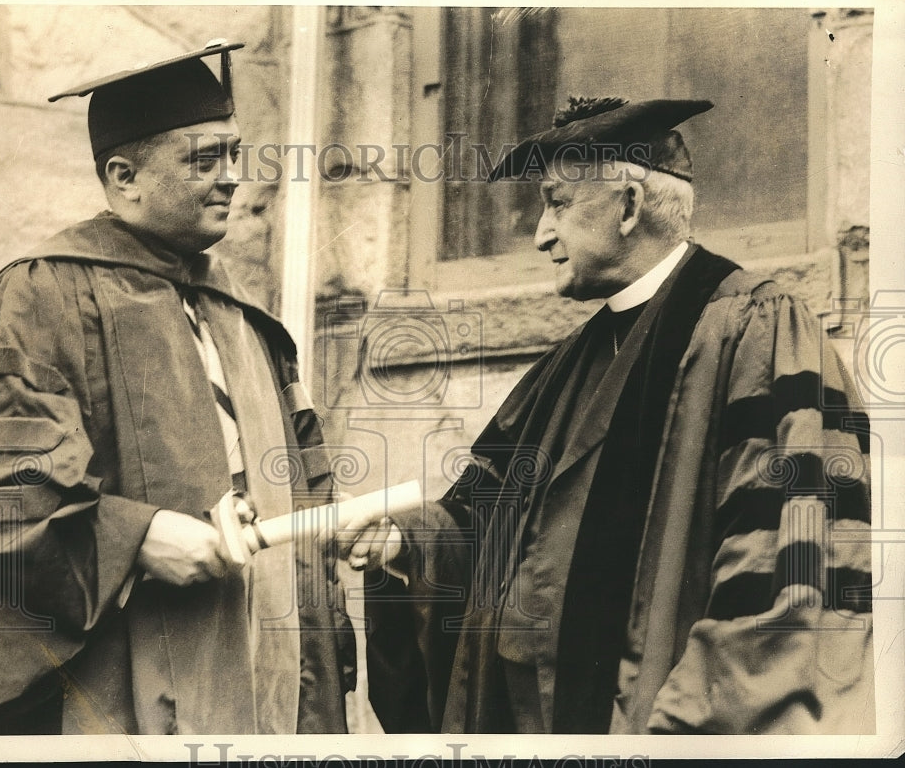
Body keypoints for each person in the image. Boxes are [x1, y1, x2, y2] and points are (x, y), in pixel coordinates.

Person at [343, 96, 874, 734]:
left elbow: (791, 561)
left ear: (628, 206)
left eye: (557, 203)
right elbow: (482, 520)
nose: (540, 234)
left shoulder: (755, 329)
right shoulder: (568, 366)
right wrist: (408, 540)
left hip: (662, 725)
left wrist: (686, 726)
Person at [0, 41, 354, 735]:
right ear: (124, 176)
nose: (232, 179)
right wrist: (134, 538)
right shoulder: (39, 295)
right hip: (119, 678)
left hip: (263, 665)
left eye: (235, 153)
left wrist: (335, 524)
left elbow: (302, 471)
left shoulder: (242, 311)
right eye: (204, 159)